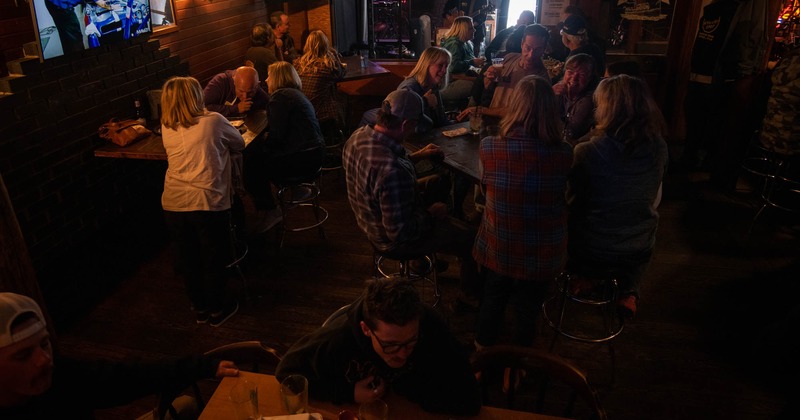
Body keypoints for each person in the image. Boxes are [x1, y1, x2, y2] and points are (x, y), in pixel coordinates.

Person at [0, 292, 240, 418]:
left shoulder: (62, 377)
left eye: (44, 344)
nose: (44, 360)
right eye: (23, 356)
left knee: (186, 404)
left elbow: (129, 376)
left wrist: (201, 367)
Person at [342, 89, 481, 303]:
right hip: (392, 241)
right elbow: (401, 232)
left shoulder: (358, 137)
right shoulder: (391, 172)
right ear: (406, 124)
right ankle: (469, 296)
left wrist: (418, 155)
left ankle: (420, 261)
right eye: (415, 123)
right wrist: (432, 214)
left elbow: (384, 168)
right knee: (470, 237)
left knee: (437, 181)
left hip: (368, 220)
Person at [275, 277, 481, 416]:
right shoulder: (339, 338)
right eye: (390, 345)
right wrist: (348, 393)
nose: (402, 355)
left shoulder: (433, 327)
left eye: (411, 341)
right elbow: (286, 372)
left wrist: (412, 389)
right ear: (366, 329)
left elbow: (470, 401)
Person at [473, 75, 572, 349]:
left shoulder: (489, 146)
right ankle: (516, 368)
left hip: (500, 242)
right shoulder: (564, 153)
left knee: (493, 296)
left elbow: (484, 192)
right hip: (542, 248)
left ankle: (482, 355)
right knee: (528, 306)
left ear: (515, 105)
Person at [566, 75, 669, 319]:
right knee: (641, 223)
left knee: (573, 219)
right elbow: (653, 193)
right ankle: (628, 291)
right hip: (637, 248)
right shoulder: (660, 147)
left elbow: (572, 201)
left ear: (607, 108)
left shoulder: (587, 152)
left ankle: (585, 275)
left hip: (591, 247)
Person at [161, 76, 244, 326]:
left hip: (174, 202)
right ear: (194, 96)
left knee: (189, 259)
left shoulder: (166, 126)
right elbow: (239, 143)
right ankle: (217, 310)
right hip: (207, 200)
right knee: (213, 257)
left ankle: (199, 309)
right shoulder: (214, 122)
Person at [457, 24, 552, 121]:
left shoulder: (542, 79)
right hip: (490, 122)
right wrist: (489, 79)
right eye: (528, 48)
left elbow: (521, 113)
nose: (531, 55)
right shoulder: (509, 58)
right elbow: (488, 87)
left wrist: (482, 110)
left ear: (544, 50)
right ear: (522, 44)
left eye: (537, 50)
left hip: (512, 128)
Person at [294, 30, 347, 131]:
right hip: (321, 114)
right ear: (325, 45)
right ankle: (342, 132)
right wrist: (335, 55)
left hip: (301, 112)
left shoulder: (297, 64)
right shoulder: (328, 66)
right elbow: (341, 74)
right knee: (344, 98)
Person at [396, 46, 452, 132]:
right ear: (426, 65)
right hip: (413, 142)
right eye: (440, 65)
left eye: (446, 66)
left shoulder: (433, 86)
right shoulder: (408, 88)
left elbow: (442, 122)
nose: (444, 71)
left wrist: (458, 123)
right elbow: (398, 118)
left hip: (431, 138)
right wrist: (425, 102)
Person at [553, 53, 599, 146]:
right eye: (570, 71)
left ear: (590, 78)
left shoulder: (590, 99)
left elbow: (572, 131)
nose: (574, 78)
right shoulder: (557, 89)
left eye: (582, 74)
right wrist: (549, 95)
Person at [440, 16, 486, 107]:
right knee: (479, 86)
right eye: (471, 28)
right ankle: (470, 114)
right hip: (448, 83)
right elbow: (453, 67)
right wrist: (472, 62)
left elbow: (469, 64)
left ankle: (472, 112)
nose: (474, 30)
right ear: (463, 30)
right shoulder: (454, 44)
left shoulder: (468, 44)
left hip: (461, 78)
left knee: (486, 82)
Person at [203, 66, 269, 118]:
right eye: (241, 91)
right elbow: (202, 107)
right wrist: (236, 108)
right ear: (234, 81)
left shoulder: (254, 85)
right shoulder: (220, 82)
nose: (245, 96)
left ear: (257, 85)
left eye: (250, 92)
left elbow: (268, 104)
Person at [558, 14, 606, 80]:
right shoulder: (594, 48)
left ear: (567, 39)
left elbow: (565, 81)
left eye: (562, 34)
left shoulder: (575, 57)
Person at [244, 23, 283, 89]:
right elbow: (282, 72)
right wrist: (278, 48)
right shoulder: (265, 53)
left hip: (255, 89)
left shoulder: (249, 51)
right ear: (268, 38)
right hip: (266, 90)